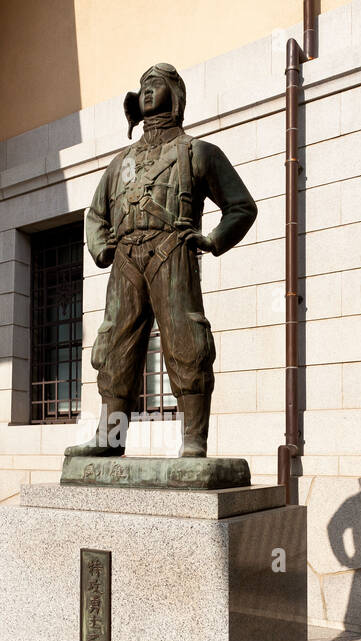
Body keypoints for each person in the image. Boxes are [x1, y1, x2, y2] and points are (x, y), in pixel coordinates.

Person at [64, 63, 257, 459]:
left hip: (173, 256)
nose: (147, 91)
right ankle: (110, 438)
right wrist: (103, 248)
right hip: (126, 263)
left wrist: (212, 239)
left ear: (175, 94)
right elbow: (95, 215)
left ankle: (193, 440)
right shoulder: (120, 163)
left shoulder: (199, 153)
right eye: (143, 87)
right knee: (115, 347)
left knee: (187, 342)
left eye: (156, 84)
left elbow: (241, 207)